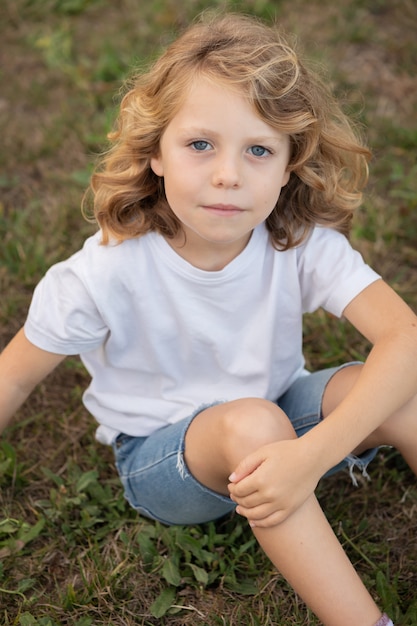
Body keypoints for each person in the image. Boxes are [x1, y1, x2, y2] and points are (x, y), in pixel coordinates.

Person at [1, 11, 415, 626]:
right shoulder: (104, 274)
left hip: (279, 418)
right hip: (165, 458)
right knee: (253, 424)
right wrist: (298, 455)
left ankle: (291, 466)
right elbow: (13, 377)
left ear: (288, 164)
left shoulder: (295, 240)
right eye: (200, 145)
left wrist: (312, 454)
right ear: (157, 153)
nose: (228, 174)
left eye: (258, 150)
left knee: (390, 384)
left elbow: (405, 337)